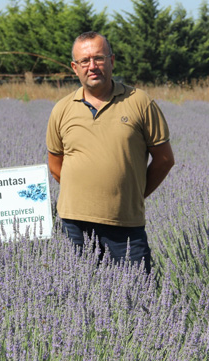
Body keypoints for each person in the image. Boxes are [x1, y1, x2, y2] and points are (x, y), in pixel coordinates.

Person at [46, 32, 175, 274]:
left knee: (137, 296)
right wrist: (84, 193)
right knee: (77, 297)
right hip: (74, 224)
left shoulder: (139, 102)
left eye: (99, 58)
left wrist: (132, 193)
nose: (92, 66)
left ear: (112, 61)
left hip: (124, 223)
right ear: (75, 68)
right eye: (84, 61)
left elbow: (165, 159)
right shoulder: (61, 109)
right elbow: (55, 164)